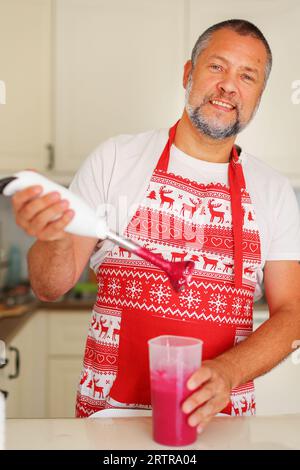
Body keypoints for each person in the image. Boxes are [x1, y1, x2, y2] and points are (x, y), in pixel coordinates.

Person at [11, 19, 300, 431]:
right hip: (108, 421)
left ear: (258, 96)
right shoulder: (115, 160)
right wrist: (55, 238)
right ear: (188, 74)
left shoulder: (272, 191)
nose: (229, 86)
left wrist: (229, 373)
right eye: (216, 67)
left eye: (247, 75)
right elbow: (49, 285)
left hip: (219, 425)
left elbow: (293, 313)